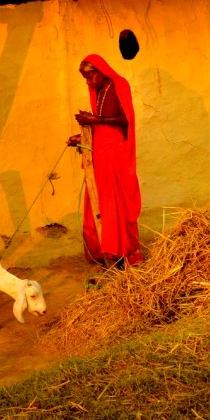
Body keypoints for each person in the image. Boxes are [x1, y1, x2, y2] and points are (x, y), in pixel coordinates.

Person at [67, 54, 144, 268]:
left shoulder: (119, 85)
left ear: (101, 72)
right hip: (100, 152)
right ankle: (104, 250)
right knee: (99, 200)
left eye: (90, 77)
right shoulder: (99, 89)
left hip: (114, 152)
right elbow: (101, 128)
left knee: (114, 203)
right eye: (85, 78)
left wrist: (96, 119)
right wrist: (82, 138)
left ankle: (121, 251)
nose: (88, 82)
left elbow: (126, 120)